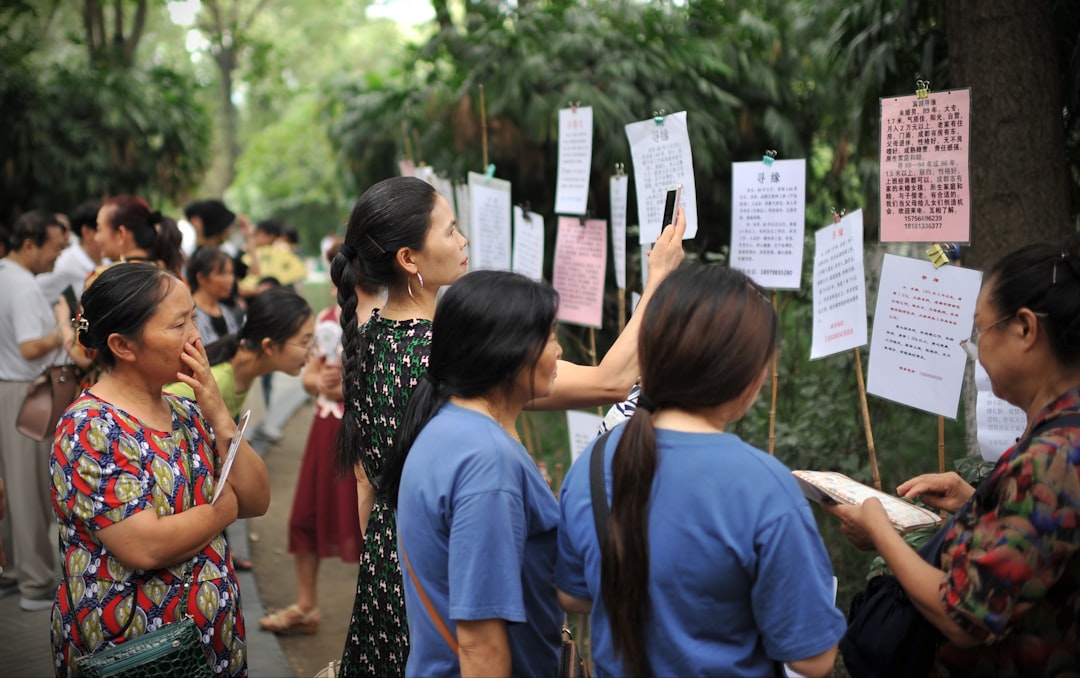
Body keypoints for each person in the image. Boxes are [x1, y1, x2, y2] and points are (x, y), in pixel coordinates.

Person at [331, 175, 685, 675]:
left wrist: (390, 562)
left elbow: (366, 482)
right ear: (409, 259)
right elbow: (612, 382)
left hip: (396, 573)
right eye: (450, 230)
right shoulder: (452, 355)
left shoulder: (367, 341)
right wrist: (659, 280)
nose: (463, 240)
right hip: (459, 578)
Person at [557, 265, 845, 677]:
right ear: (745, 375)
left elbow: (572, 594)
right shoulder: (764, 487)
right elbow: (813, 658)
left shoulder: (594, 461)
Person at [825, 236, 1080, 676]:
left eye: (980, 331)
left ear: (1024, 328)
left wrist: (880, 529)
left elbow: (964, 615)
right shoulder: (1059, 432)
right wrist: (975, 502)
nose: (975, 349)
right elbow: (1042, 545)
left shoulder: (1051, 459)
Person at [50, 263, 270, 677]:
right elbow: (144, 546)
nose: (196, 337)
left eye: (193, 318)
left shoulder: (186, 409)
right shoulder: (91, 427)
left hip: (209, 644)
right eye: (178, 325)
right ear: (123, 345)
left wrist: (220, 414)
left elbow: (257, 500)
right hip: (137, 654)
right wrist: (223, 510)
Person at [381, 270, 562, 676]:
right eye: (550, 337)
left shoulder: (445, 427)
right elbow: (481, 644)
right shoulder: (488, 463)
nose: (559, 349)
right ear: (509, 351)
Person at [259, 243, 383, 635]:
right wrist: (323, 384)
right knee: (308, 517)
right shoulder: (330, 318)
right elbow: (309, 377)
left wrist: (345, 389)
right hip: (327, 429)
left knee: (371, 524)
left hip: (364, 432)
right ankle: (307, 605)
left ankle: (378, 616)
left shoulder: (386, 322)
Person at [0, 210, 70, 612]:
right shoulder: (24, 287)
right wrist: (63, 327)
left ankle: (11, 572)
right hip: (25, 392)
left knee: (11, 488)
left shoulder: (5, 276)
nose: (56, 259)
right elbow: (30, 347)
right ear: (30, 245)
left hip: (9, 390)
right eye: (54, 249)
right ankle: (36, 583)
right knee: (28, 491)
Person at [165, 286, 314, 420]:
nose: (311, 351)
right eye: (304, 342)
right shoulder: (215, 382)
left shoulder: (245, 370)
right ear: (269, 346)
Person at [92, 195, 184, 277]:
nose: (96, 238)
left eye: (99, 229)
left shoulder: (102, 280)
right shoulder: (171, 278)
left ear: (121, 234)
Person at [36, 199, 104, 305]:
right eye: (112, 229)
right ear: (87, 232)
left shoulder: (108, 262)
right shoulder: (61, 265)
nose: (120, 236)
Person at [186, 246, 244, 344]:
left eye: (231, 273)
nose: (230, 279)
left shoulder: (226, 312)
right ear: (201, 278)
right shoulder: (188, 314)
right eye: (222, 273)